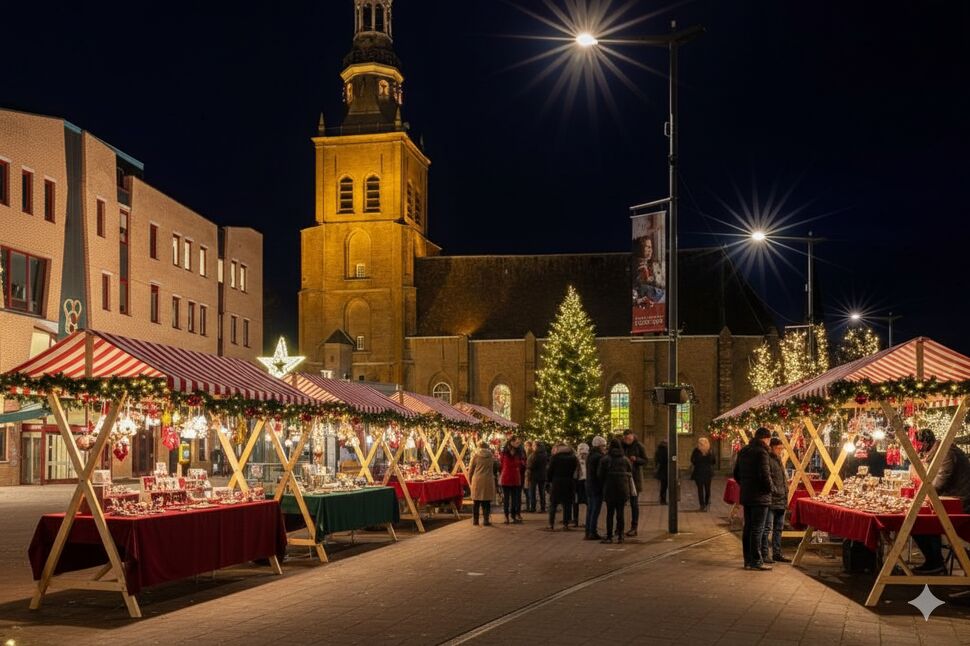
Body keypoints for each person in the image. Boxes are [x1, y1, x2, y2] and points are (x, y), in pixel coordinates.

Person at [911, 429, 970, 573]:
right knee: (921, 518)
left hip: (961, 503)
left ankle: (935, 562)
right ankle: (934, 561)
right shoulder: (937, 452)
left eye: (918, 444)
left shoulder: (945, 452)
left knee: (918, 520)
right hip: (950, 499)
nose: (917, 447)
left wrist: (922, 496)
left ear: (926, 442)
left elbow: (940, 482)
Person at [733, 427, 774, 571]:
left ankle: (748, 560)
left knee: (748, 528)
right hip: (760, 496)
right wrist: (771, 489)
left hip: (747, 495)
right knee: (757, 528)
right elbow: (765, 474)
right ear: (766, 438)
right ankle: (756, 561)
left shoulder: (744, 451)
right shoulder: (762, 452)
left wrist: (745, 485)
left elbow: (736, 473)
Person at [598, 438, 632, 543]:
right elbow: (630, 472)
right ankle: (621, 536)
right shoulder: (625, 459)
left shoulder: (605, 459)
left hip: (610, 489)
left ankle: (609, 536)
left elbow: (600, 475)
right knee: (620, 512)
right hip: (622, 489)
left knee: (610, 513)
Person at [763, 437, 790, 563]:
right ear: (772, 447)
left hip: (782, 499)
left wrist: (786, 491)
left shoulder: (779, 459)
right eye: (778, 448)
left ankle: (777, 553)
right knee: (767, 527)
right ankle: (764, 554)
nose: (780, 451)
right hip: (772, 499)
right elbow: (767, 477)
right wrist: (774, 490)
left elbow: (782, 477)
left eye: (781, 449)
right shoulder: (768, 459)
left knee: (779, 528)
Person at [546, 442, 579, 530]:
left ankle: (551, 524)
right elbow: (575, 471)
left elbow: (550, 471)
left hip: (557, 482)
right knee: (567, 504)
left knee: (553, 504)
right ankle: (566, 524)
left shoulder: (555, 458)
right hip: (569, 482)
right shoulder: (573, 458)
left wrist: (549, 481)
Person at [622, 430, 648, 536]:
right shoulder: (621, 445)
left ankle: (634, 527)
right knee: (621, 504)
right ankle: (620, 527)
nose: (627, 441)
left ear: (633, 437)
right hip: (623, 478)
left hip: (635, 478)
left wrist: (636, 459)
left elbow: (645, 460)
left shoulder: (639, 446)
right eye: (626, 439)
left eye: (629, 439)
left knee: (634, 504)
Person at [468, 441, 498, 526]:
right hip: (488, 480)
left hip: (477, 480)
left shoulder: (475, 456)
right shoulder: (491, 456)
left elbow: (471, 470)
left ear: (478, 447)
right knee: (486, 502)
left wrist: (470, 480)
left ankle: (475, 520)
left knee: (476, 502)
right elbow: (495, 467)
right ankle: (486, 520)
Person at [499, 436, 526, 524]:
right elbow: (504, 464)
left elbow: (502, 464)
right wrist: (520, 464)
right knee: (508, 499)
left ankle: (511, 516)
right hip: (509, 477)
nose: (517, 444)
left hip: (513, 478)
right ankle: (508, 517)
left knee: (513, 499)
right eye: (516, 442)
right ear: (511, 442)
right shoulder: (508, 453)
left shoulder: (515, 452)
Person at [585, 436, 607, 540]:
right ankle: (592, 532)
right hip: (596, 486)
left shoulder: (590, 455)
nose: (604, 447)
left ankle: (588, 531)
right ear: (599, 445)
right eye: (603, 445)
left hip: (589, 485)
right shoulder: (599, 457)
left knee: (590, 509)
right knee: (595, 510)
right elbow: (600, 473)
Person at [690, 437, 717, 511]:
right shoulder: (710, 451)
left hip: (699, 472)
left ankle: (702, 505)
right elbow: (714, 461)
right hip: (708, 472)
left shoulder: (696, 451)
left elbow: (692, 460)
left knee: (700, 489)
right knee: (707, 488)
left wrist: (698, 462)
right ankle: (706, 503)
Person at [527, 441, 549, 513]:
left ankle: (533, 507)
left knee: (532, 492)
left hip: (534, 475)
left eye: (533, 445)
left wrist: (528, 467)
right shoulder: (545, 454)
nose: (532, 447)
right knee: (542, 492)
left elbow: (532, 465)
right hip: (542, 475)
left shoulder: (535, 454)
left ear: (536, 446)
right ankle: (543, 507)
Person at [573, 442, 589, 528]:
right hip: (578, 483)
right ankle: (576, 521)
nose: (583, 455)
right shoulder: (576, 460)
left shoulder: (589, 460)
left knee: (586, 502)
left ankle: (586, 521)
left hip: (585, 482)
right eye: (582, 453)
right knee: (576, 502)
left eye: (585, 454)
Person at [654, 440, 669, 505]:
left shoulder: (658, 451)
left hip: (661, 470)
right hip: (666, 470)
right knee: (666, 486)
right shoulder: (667, 451)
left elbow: (656, 460)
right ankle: (664, 499)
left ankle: (662, 499)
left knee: (663, 486)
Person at [523, 440, 535, 512]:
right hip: (529, 473)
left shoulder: (529, 452)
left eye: (526, 445)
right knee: (528, 490)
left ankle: (529, 506)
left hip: (528, 473)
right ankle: (529, 506)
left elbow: (527, 464)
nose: (525, 447)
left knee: (528, 490)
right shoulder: (532, 453)